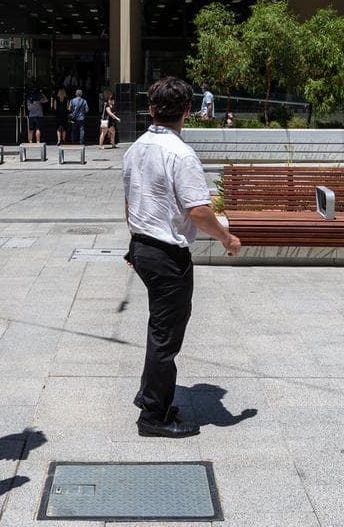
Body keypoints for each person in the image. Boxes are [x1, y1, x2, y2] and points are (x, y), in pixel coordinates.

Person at [123, 77, 241, 438]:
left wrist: (134, 243)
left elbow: (130, 200)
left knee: (159, 327)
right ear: (188, 111)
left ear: (152, 108)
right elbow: (199, 211)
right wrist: (227, 237)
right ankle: (154, 417)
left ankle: (149, 395)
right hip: (166, 255)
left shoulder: (136, 147)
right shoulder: (181, 154)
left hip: (143, 246)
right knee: (167, 334)